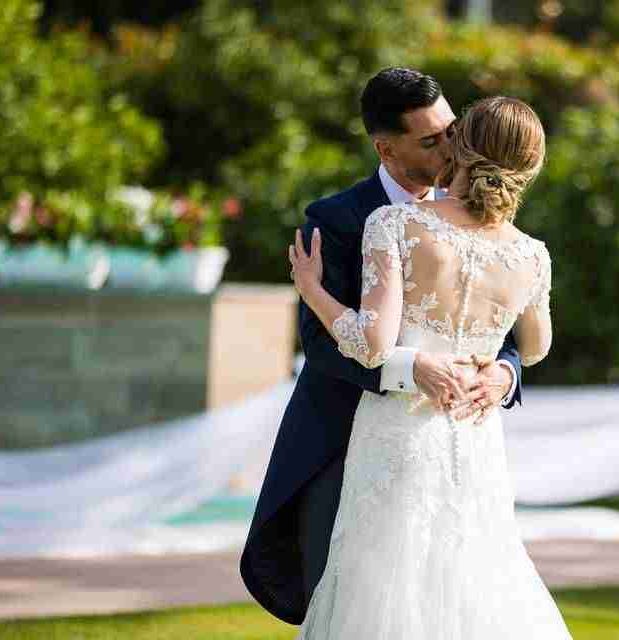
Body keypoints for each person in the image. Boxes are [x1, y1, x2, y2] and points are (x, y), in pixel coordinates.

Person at [239, 68, 525, 626]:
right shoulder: (337, 219)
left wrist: (506, 375)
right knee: (347, 607)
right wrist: (410, 368)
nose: (452, 146)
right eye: (431, 139)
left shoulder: (482, 211)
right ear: (385, 147)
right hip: (344, 444)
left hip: (453, 452)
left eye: (451, 130)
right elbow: (321, 345)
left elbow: (507, 334)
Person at [288, 94, 571, 638]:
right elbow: (534, 347)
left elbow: (370, 345)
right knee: (477, 580)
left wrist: (314, 291)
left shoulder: (394, 224)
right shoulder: (532, 255)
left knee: (380, 585)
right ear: (527, 168)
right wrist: (499, 368)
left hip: (398, 438)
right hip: (475, 441)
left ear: (460, 145)